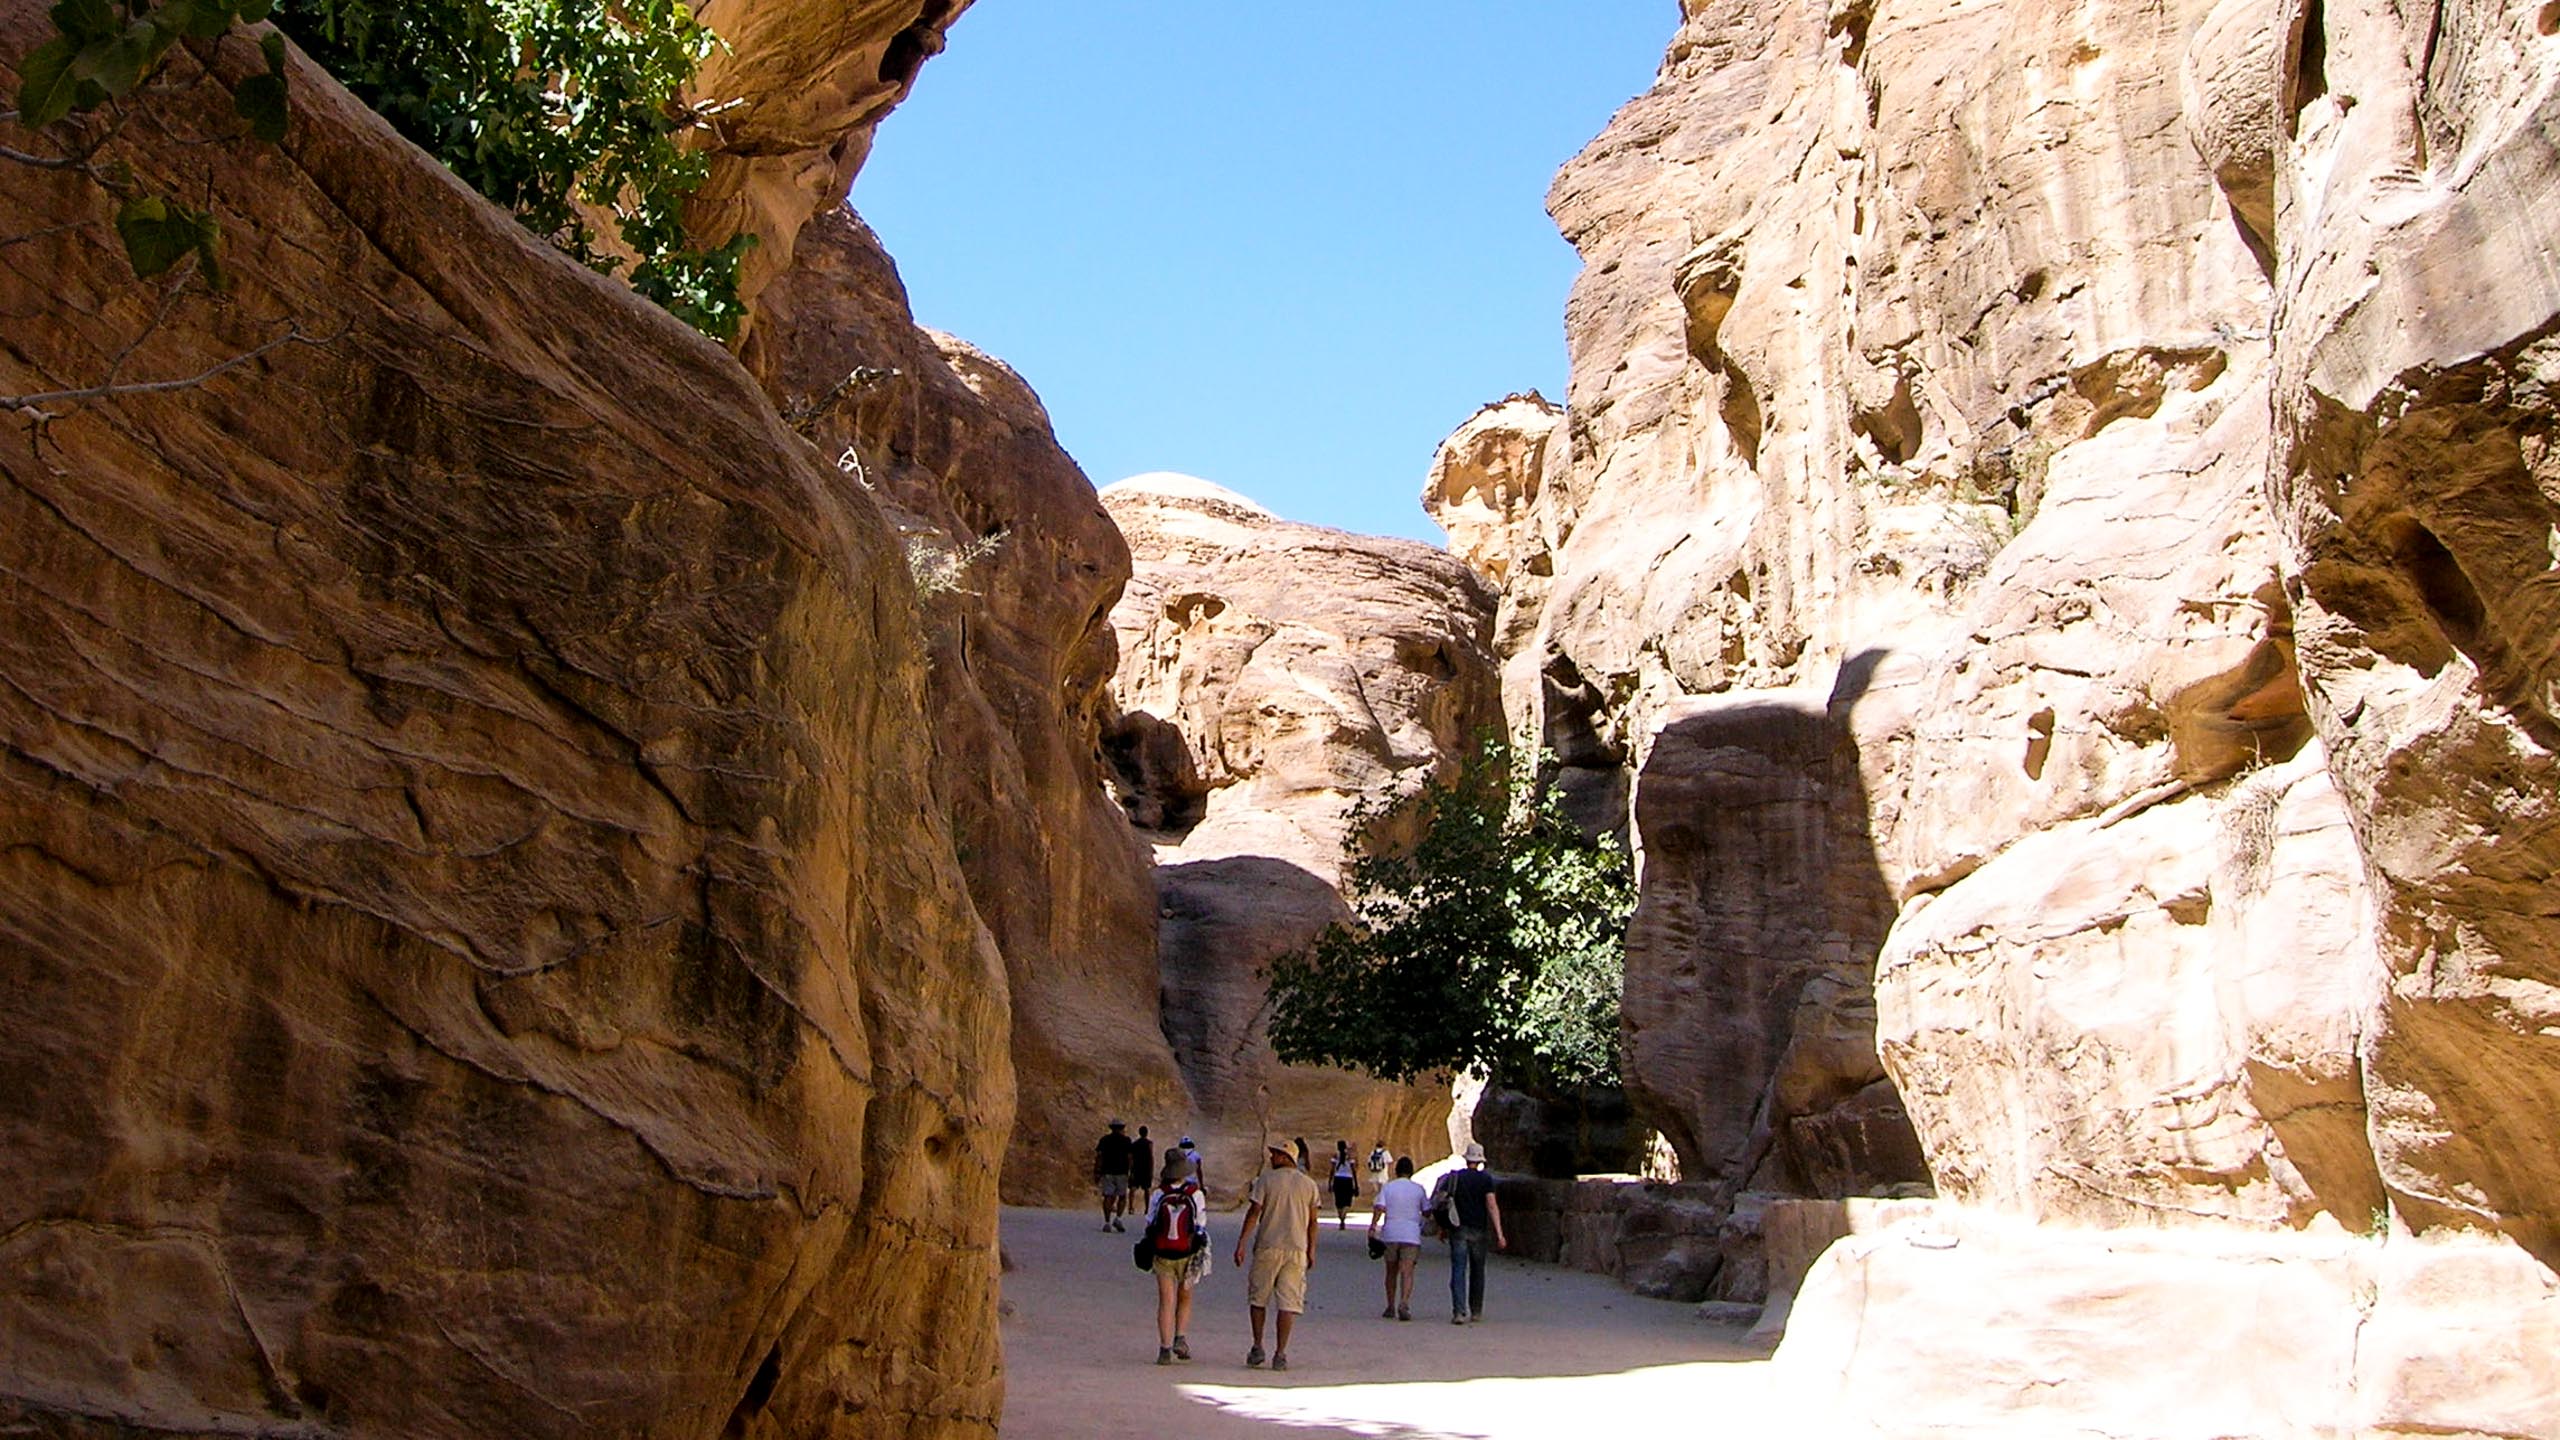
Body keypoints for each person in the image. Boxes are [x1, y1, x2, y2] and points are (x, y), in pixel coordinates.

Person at [1232, 1138, 1321, 1371]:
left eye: (1275, 1154)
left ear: (1286, 1157)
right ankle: (1280, 1353)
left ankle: (1258, 1345)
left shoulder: (1266, 1180)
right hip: (1297, 1249)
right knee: (1288, 1303)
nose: (1271, 1157)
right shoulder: (1309, 1185)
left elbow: (1253, 1213)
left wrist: (1242, 1242)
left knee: (1258, 1298)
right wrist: (1311, 1249)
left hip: (1268, 1246)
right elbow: (1313, 1222)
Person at [1141, 1149, 1210, 1365]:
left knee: (1166, 1300)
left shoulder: (1158, 1194)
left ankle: (1164, 1348)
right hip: (1188, 1252)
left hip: (1163, 1252)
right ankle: (1180, 1337)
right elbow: (1200, 1223)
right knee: (1185, 1297)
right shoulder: (1195, 1193)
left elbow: (1150, 1222)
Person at [1433, 1142, 1507, 1323]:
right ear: (1480, 1160)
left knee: (1458, 1269)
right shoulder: (1486, 1180)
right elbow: (1491, 1205)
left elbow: (1442, 1203)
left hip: (1458, 1229)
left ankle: (1458, 1311)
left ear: (1467, 1160)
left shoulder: (1455, 1178)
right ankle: (1476, 1311)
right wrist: (1500, 1233)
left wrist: (1442, 1228)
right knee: (1477, 1271)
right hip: (1479, 1229)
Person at [1368, 1155, 1426, 1320]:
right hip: (1411, 1234)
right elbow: (1427, 1210)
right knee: (1407, 1271)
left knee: (1391, 1272)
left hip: (1391, 1233)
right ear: (1411, 1171)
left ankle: (1390, 1306)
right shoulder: (1418, 1189)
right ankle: (1404, 1302)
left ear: (1396, 1170)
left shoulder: (1388, 1188)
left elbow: (1379, 1207)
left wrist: (1373, 1227)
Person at [1095, 1119, 1134, 1232]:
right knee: (1122, 1196)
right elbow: (1130, 1157)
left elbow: (1099, 1157)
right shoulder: (1126, 1141)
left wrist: (1097, 1171)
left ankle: (1107, 1222)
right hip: (1122, 1172)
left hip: (1107, 1171)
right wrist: (1132, 1172)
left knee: (1108, 1196)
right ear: (1122, 1128)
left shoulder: (1104, 1140)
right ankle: (1118, 1218)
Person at [1328, 1140, 1357, 1225]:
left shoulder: (1335, 1155)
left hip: (1338, 1179)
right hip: (1348, 1179)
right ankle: (1344, 1216)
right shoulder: (1350, 1156)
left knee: (1338, 1199)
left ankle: (1341, 1217)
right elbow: (1353, 1170)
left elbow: (1332, 1170)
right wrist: (1355, 1182)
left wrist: (1330, 1182)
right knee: (1347, 1199)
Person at [1127, 1125, 1155, 1200]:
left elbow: (1130, 1157)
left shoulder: (1134, 1144)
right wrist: (1151, 1170)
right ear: (1147, 1133)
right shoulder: (1149, 1143)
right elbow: (1151, 1157)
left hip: (1136, 1168)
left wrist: (1130, 1169)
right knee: (1146, 1189)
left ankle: (1131, 1206)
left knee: (1133, 1188)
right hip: (1145, 1168)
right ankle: (1147, 1208)